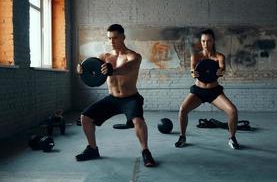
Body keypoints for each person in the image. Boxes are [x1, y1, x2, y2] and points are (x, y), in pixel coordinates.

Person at [75, 24, 156, 167]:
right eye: (109, 38)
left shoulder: (134, 56)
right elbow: (90, 69)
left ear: (123, 37)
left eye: (115, 38)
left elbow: (128, 67)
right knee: (85, 117)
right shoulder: (105, 57)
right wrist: (82, 70)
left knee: (138, 120)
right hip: (112, 99)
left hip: (130, 98)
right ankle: (92, 149)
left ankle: (145, 151)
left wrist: (113, 70)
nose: (112, 41)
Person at [175, 29, 240, 149]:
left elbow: (222, 69)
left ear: (213, 41)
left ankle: (232, 138)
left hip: (214, 92)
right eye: (203, 41)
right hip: (198, 91)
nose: (206, 44)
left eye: (208, 41)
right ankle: (182, 136)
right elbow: (192, 70)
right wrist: (193, 73)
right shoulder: (196, 56)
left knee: (233, 111)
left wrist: (221, 71)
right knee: (182, 109)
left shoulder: (219, 56)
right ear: (201, 42)